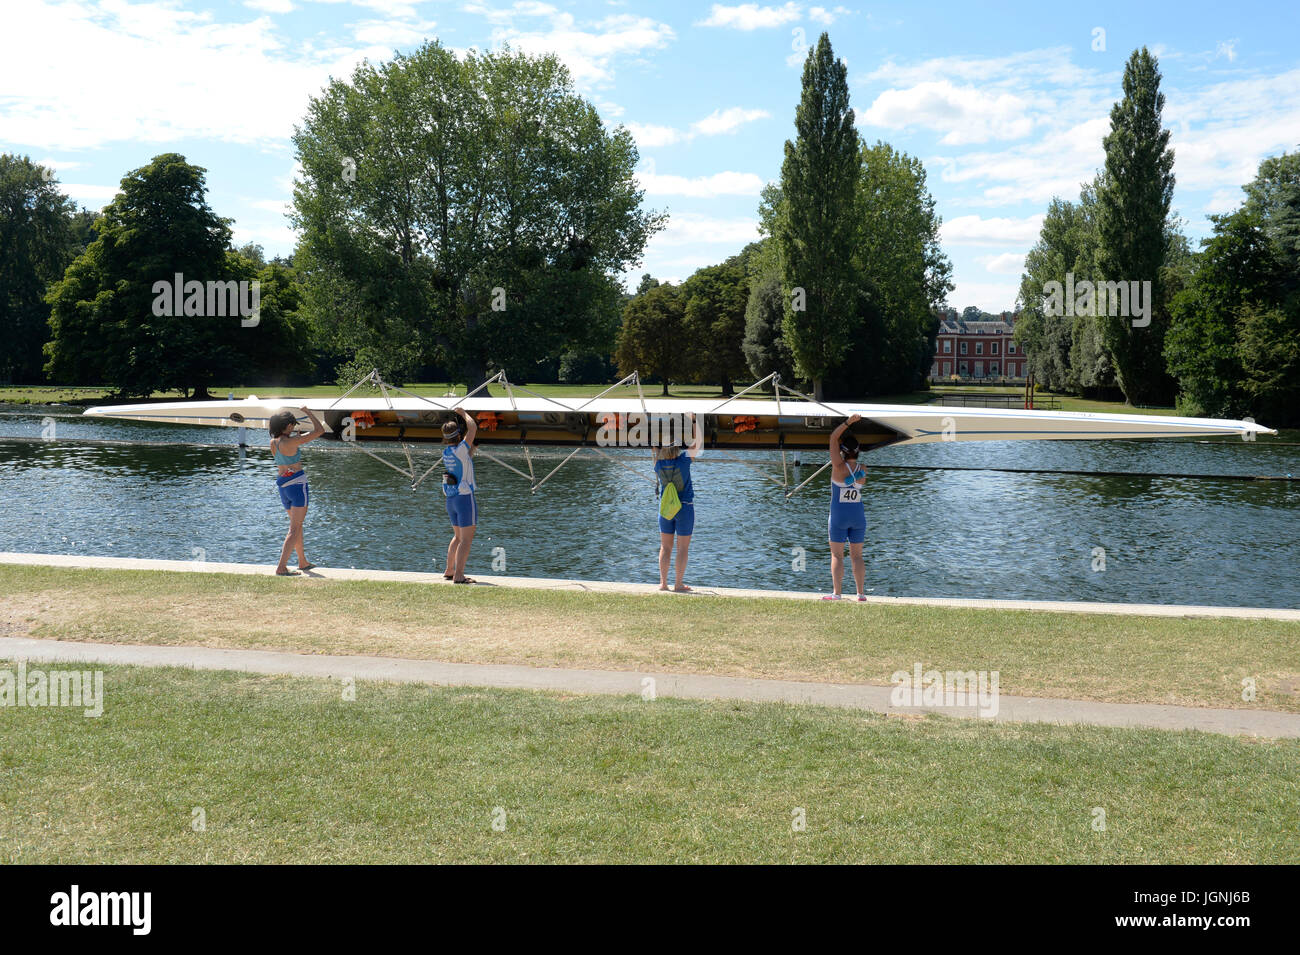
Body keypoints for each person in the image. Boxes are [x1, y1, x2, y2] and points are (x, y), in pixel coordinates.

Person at [269, 406, 326, 576]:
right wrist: (309, 413)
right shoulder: (291, 441)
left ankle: (302, 561)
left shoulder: (274, 442)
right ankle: (281, 567)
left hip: (283, 486)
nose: (293, 427)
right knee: (294, 529)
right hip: (297, 486)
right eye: (292, 425)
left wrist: (297, 438)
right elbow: (320, 430)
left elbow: (286, 454)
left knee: (296, 526)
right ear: (286, 426)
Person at [654, 412, 704, 592]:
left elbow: (655, 447)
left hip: (665, 509)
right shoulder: (684, 461)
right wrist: (695, 420)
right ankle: (678, 584)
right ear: (677, 448)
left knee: (665, 547)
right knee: (682, 548)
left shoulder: (657, 464)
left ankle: (663, 583)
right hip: (684, 508)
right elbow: (698, 442)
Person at [825, 413, 868, 601]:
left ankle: (837, 594)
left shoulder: (837, 466)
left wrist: (848, 422)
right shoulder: (863, 469)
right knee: (857, 556)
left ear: (842, 451)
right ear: (858, 451)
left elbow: (833, 437)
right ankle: (860, 594)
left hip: (839, 517)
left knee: (837, 555)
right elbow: (852, 480)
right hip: (858, 517)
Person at [441, 407, 478, 584]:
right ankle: (459, 575)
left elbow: (464, 460)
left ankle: (449, 570)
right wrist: (463, 414)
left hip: (451, 499)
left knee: (457, 537)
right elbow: (473, 428)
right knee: (466, 539)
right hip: (464, 498)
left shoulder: (447, 452)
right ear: (458, 435)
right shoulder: (461, 449)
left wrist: (472, 452)